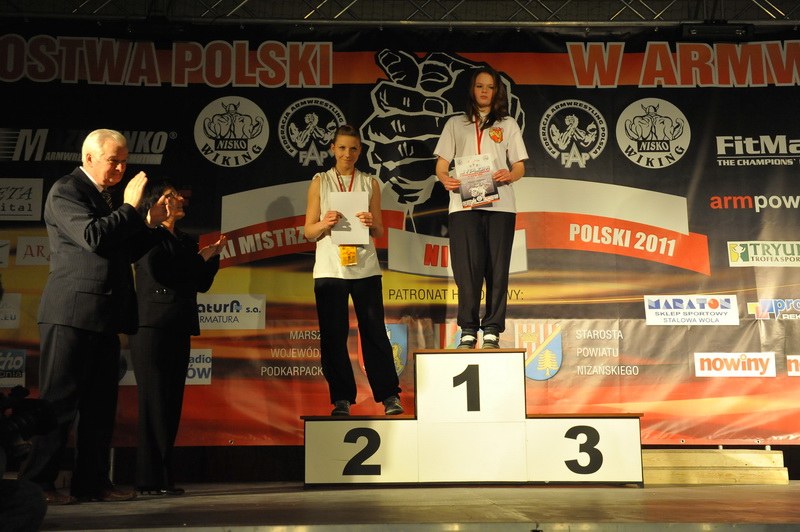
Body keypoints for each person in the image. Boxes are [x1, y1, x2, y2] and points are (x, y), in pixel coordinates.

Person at [19, 129, 169, 504]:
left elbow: (123, 251)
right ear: (89, 158)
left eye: (124, 162)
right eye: (113, 161)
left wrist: (149, 223)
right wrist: (131, 208)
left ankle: (93, 482)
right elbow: (94, 237)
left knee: (100, 408)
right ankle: (36, 483)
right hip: (71, 313)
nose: (120, 168)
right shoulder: (66, 190)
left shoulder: (107, 198)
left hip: (105, 315)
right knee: (58, 404)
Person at [129, 180, 225, 496]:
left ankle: (163, 478)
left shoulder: (185, 240)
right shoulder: (147, 235)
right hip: (152, 328)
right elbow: (164, 273)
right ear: (155, 203)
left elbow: (200, 282)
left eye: (178, 195)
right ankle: (148, 479)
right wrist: (200, 259)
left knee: (171, 402)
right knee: (154, 402)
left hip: (179, 325)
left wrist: (212, 257)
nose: (179, 199)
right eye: (170, 196)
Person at [303, 124, 403, 416]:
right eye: (342, 148)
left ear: (360, 151)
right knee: (333, 336)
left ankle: (389, 396)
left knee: (374, 332)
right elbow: (309, 231)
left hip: (365, 268)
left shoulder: (370, 182)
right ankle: (341, 399)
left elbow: (380, 230)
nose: (347, 154)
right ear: (332, 149)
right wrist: (325, 223)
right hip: (330, 269)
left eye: (353, 148)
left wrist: (371, 222)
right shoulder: (320, 182)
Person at [433, 66, 529, 349]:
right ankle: (468, 328)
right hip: (463, 205)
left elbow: (520, 166)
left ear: (497, 91)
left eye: (490, 86)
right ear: (471, 89)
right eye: (479, 86)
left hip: (501, 204)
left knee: (497, 270)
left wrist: (510, 175)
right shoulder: (455, 123)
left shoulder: (508, 124)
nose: (485, 91)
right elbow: (441, 164)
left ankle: (492, 330)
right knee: (467, 270)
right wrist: (445, 178)